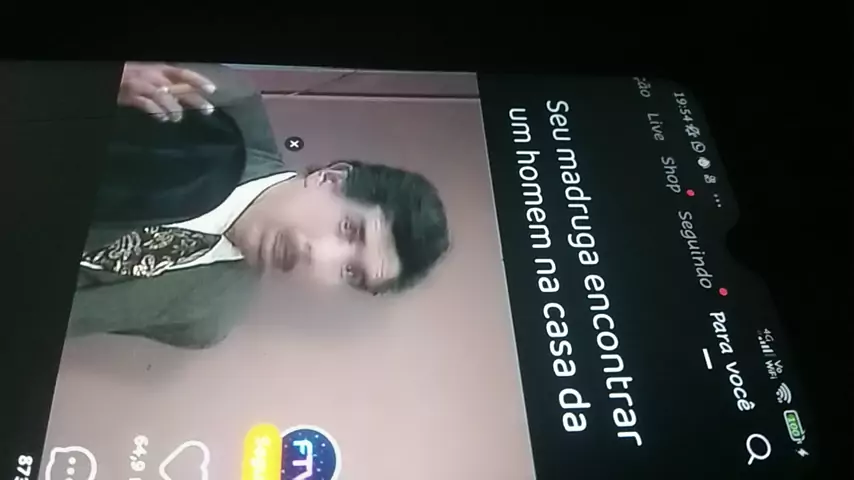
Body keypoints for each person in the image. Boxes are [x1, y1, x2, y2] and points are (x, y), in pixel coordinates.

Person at [68, 62, 450, 349]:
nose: (317, 255)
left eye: (351, 272)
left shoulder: (207, 319)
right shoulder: (227, 104)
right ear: (330, 179)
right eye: (349, 229)